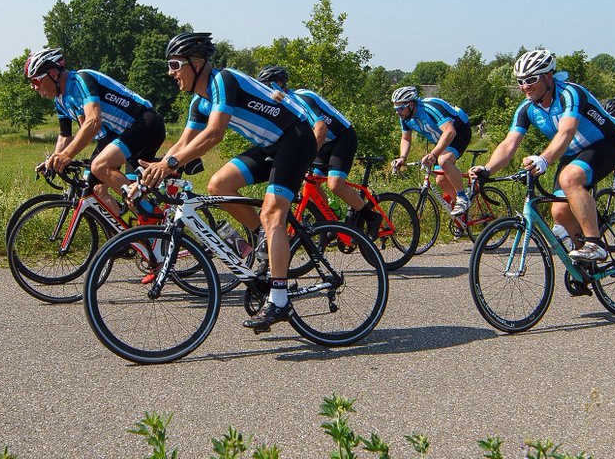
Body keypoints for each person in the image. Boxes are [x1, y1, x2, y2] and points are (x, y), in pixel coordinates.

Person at [138, 32, 318, 332]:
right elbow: (184, 142)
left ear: (196, 63)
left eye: (174, 65)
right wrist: (155, 170)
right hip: (271, 144)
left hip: (297, 138)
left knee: (273, 213)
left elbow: (214, 133)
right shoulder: (200, 100)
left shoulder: (223, 81)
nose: (170, 73)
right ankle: (262, 239)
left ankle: (280, 299)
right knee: (218, 185)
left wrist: (170, 164)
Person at [470, 49, 615, 260]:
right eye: (520, 81)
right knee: (559, 213)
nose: (524, 86)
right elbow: (509, 144)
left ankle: (595, 244)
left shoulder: (570, 93)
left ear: (548, 76)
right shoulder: (527, 108)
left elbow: (567, 131)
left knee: (570, 178)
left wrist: (544, 159)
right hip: (572, 154)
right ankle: (586, 264)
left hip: (604, 145)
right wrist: (487, 169)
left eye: (531, 79)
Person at [25, 47, 165, 216]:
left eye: (36, 81)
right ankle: (127, 238)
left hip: (144, 123)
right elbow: (65, 136)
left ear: (53, 74)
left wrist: (66, 155)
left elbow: (93, 122)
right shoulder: (60, 100)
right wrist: (54, 159)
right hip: (118, 134)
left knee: (100, 166)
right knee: (93, 188)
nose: (34, 87)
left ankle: (155, 221)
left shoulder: (80, 80)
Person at [255, 64, 379, 233]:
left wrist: (304, 158)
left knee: (335, 184)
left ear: (280, 83)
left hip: (342, 137)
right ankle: (330, 222)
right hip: (323, 143)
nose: (266, 91)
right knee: (309, 182)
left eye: (267, 86)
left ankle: (371, 216)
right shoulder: (282, 106)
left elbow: (321, 129)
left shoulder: (301, 98)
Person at [390, 86, 473, 216]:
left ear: (411, 104)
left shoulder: (430, 108)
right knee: (441, 180)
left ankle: (462, 198)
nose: (397, 112)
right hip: (443, 138)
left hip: (459, 132)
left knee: (444, 160)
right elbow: (406, 138)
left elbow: (450, 131)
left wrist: (433, 154)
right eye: (395, 109)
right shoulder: (406, 117)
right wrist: (402, 157)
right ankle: (463, 214)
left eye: (400, 108)